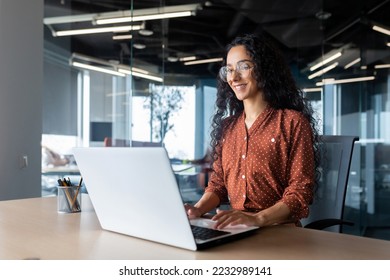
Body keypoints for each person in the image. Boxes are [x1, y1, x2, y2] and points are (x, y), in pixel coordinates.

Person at [185, 33, 320, 229]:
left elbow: (300, 192)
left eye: (243, 67)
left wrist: (258, 219)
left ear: (264, 70)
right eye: (229, 70)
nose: (233, 77)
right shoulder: (228, 127)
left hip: (279, 230)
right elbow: (218, 184)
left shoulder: (293, 122)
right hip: (237, 228)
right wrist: (197, 210)